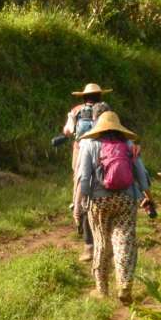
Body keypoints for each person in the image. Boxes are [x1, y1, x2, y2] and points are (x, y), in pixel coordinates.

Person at [75, 110, 153, 302]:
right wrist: (148, 196)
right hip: (126, 199)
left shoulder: (90, 145)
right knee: (124, 240)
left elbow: (84, 178)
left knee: (101, 242)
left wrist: (79, 205)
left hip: (98, 201)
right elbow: (141, 173)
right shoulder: (128, 145)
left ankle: (101, 290)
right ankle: (124, 285)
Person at [52, 83, 113, 261]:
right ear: (100, 96)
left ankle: (77, 210)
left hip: (81, 150)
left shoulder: (76, 110)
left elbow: (68, 130)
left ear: (83, 97)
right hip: (104, 150)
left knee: (80, 182)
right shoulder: (106, 110)